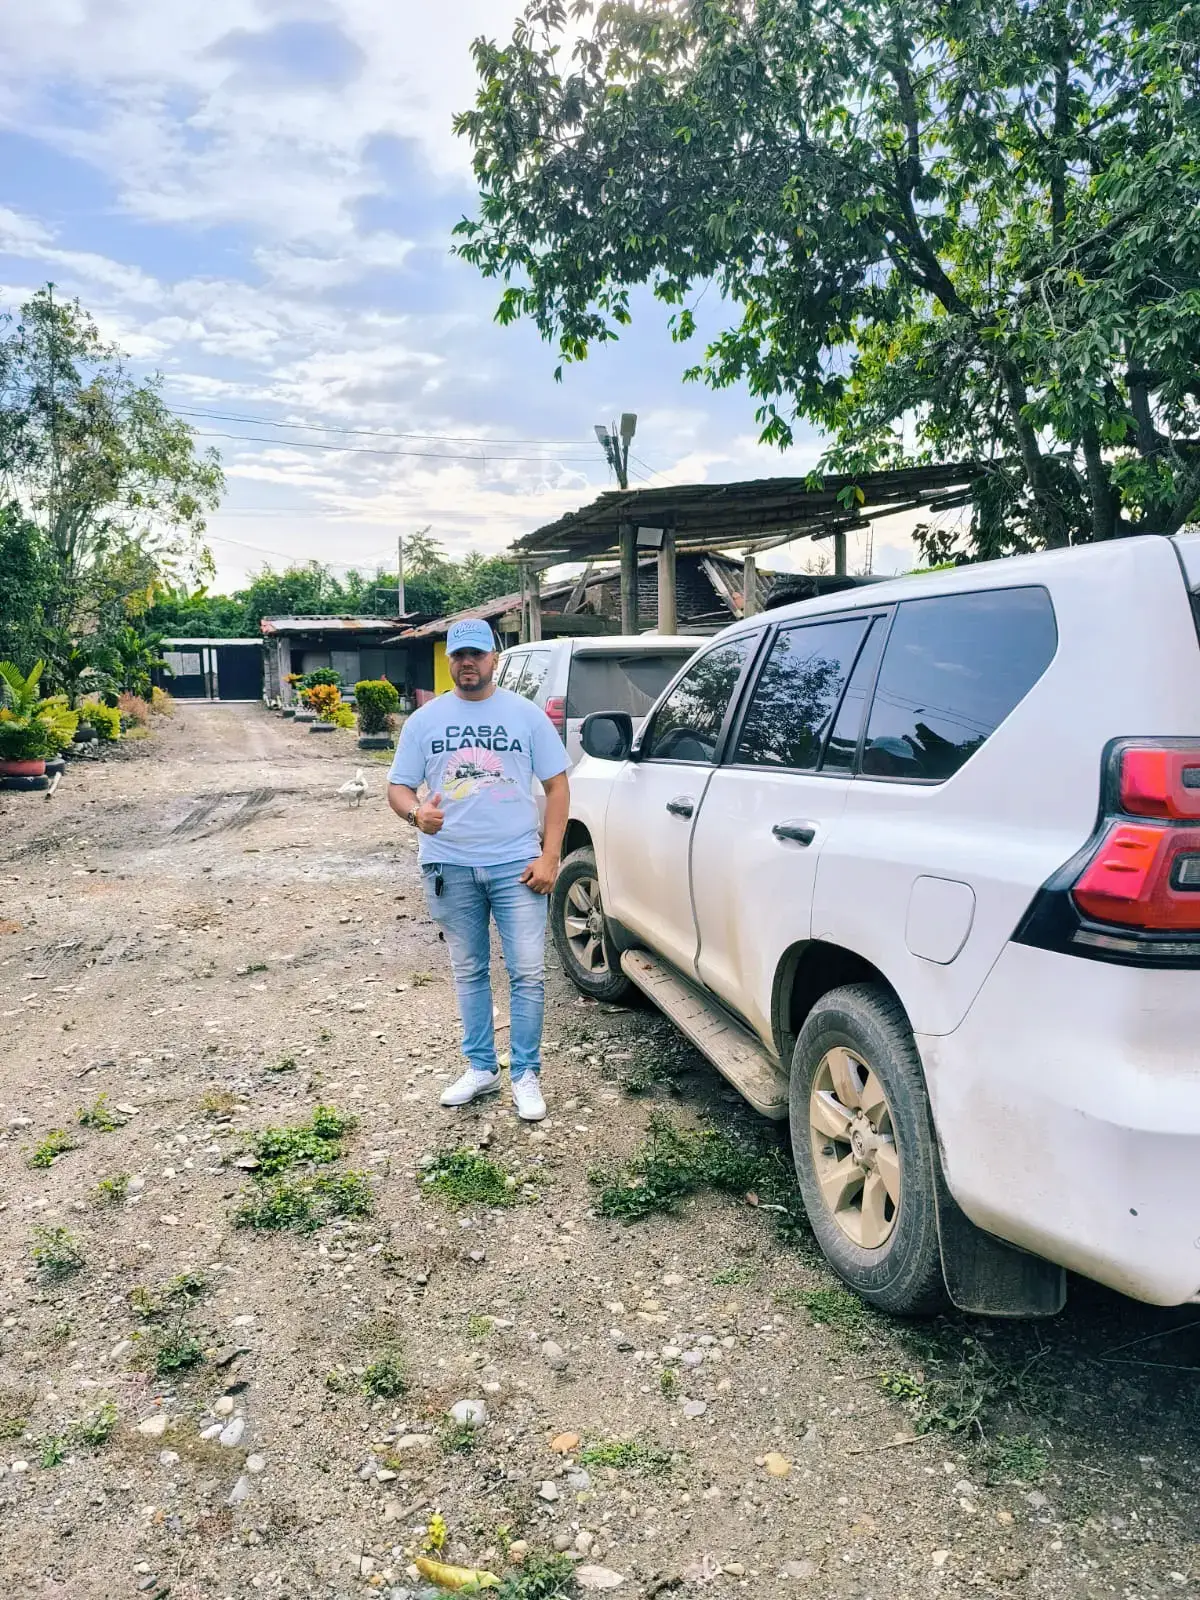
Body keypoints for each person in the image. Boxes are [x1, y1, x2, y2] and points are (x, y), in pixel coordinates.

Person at [387, 617, 569, 1121]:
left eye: (477, 655)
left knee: (528, 973)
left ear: (494, 658)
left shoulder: (526, 716)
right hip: (450, 865)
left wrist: (550, 855)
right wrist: (414, 813)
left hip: (517, 865)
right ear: (450, 662)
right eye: (459, 656)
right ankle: (481, 1067)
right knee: (468, 971)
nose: (468, 663)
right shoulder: (425, 721)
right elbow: (398, 786)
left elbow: (557, 788)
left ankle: (525, 1073)